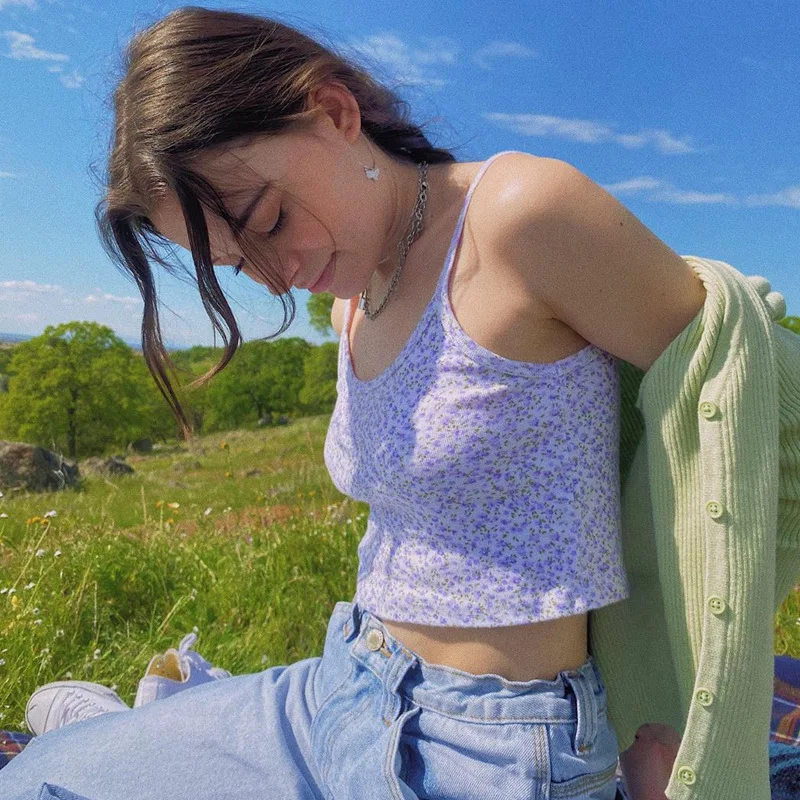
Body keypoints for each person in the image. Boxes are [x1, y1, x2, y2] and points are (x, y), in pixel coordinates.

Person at [4, 6, 799, 800]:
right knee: (38, 777)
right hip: (346, 679)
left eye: (268, 221)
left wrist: (678, 718)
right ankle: (134, 719)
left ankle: (144, 711)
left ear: (335, 111)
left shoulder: (518, 217)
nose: (277, 277)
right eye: (239, 265)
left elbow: (744, 397)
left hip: (486, 746)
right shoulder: (353, 301)